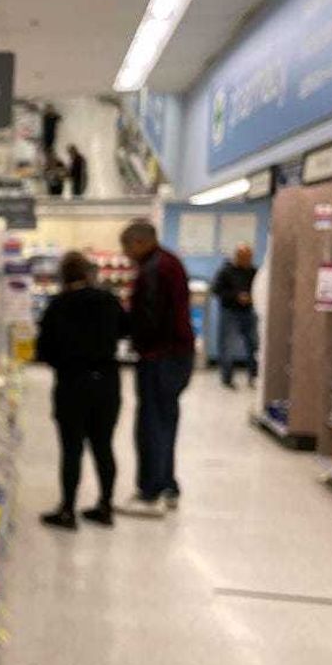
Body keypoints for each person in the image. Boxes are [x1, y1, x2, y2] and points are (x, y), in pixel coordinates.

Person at [36, 251, 127, 530]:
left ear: (63, 276)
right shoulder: (109, 300)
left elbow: (44, 351)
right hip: (107, 382)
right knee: (103, 446)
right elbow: (126, 331)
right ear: (89, 274)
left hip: (72, 384)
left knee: (71, 448)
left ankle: (67, 510)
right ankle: (105, 506)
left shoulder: (58, 305)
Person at [119, 219, 195, 518]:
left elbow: (149, 317)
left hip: (160, 356)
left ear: (140, 242)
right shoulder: (170, 261)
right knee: (166, 420)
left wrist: (133, 339)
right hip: (177, 354)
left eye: (126, 248)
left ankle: (150, 490)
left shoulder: (153, 269)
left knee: (151, 424)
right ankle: (168, 485)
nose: (125, 255)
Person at [212, 244, 259, 389]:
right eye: (244, 257)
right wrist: (236, 297)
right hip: (230, 312)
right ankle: (227, 378)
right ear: (237, 256)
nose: (247, 260)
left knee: (254, 344)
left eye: (249, 257)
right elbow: (216, 290)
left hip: (248, 312)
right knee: (227, 346)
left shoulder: (253, 272)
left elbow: (259, 290)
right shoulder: (226, 271)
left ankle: (254, 377)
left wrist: (251, 298)